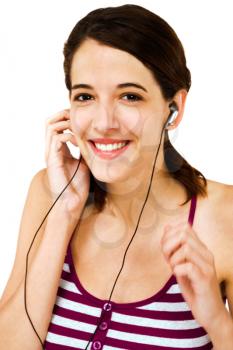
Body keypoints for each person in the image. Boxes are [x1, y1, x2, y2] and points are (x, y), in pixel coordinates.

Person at [0, 3, 233, 350]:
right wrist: (63, 213)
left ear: (175, 108)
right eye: (85, 96)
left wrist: (215, 318)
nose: (104, 122)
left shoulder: (224, 216)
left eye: (129, 96)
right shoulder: (48, 192)